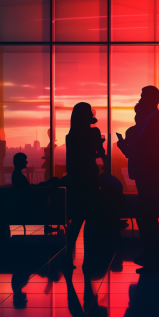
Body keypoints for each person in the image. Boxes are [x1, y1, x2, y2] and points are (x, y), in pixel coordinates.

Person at [117, 86, 159, 274]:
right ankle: (154, 254)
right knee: (146, 216)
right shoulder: (150, 122)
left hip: (152, 176)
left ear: (150, 99)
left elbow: (149, 151)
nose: (139, 100)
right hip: (148, 175)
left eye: (142, 97)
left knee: (145, 215)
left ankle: (156, 257)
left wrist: (129, 148)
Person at [64, 102, 107, 269]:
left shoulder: (71, 135)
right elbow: (100, 153)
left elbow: (72, 160)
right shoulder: (94, 132)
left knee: (76, 220)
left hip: (76, 181)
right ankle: (87, 257)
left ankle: (68, 255)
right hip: (90, 179)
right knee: (91, 219)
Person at [12, 152, 60, 235]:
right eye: (24, 160)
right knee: (54, 183)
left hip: (28, 199)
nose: (26, 162)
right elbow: (28, 192)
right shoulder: (18, 175)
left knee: (52, 182)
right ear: (20, 162)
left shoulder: (16, 175)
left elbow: (26, 190)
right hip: (30, 202)